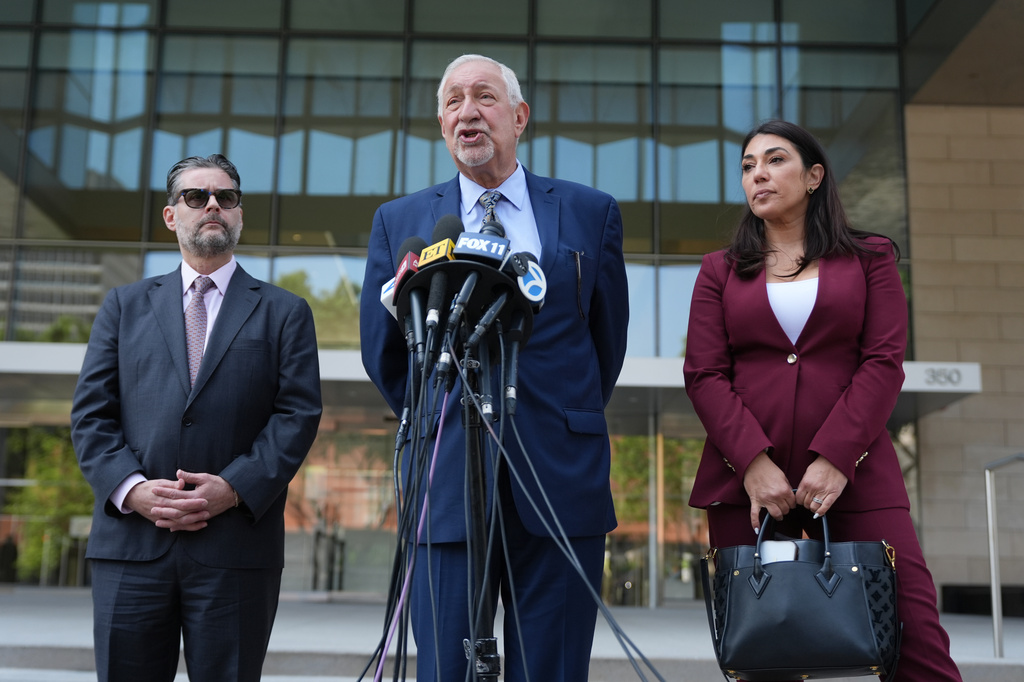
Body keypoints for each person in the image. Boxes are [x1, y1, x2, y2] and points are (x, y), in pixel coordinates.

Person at [359, 54, 629, 682]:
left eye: (483, 96)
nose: (467, 112)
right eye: (452, 101)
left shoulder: (591, 212)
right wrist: (437, 418)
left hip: (560, 478)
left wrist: (559, 415)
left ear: (519, 116)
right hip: (445, 479)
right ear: (440, 122)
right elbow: (386, 353)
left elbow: (603, 345)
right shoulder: (400, 221)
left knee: (554, 671)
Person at [683, 120, 962, 681]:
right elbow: (705, 373)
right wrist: (754, 466)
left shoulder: (871, 257)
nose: (757, 173)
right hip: (748, 488)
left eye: (775, 159)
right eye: (747, 165)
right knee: (763, 655)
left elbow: (883, 362)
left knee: (917, 642)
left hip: (856, 475)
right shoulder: (719, 269)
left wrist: (836, 457)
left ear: (814, 176)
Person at [71, 153, 323, 682]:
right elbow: (92, 416)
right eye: (195, 197)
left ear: (238, 215)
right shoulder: (123, 306)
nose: (212, 205)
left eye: (225, 197)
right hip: (131, 548)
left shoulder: (286, 312)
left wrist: (233, 487)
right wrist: (132, 490)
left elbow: (296, 416)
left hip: (235, 550)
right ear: (171, 216)